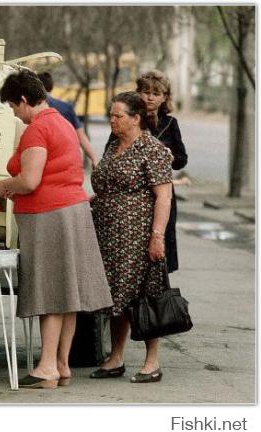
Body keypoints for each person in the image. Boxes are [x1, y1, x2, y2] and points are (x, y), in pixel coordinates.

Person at [0, 70, 113, 389]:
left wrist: (3, 186)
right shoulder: (62, 121)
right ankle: (61, 364)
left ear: (22, 99)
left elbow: (30, 180)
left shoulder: (37, 129)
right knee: (67, 292)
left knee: (48, 292)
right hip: (72, 211)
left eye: (12, 107)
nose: (14, 114)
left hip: (48, 215)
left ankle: (46, 365)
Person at [89, 92, 173, 383]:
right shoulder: (113, 146)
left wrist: (157, 237)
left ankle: (152, 361)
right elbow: (105, 186)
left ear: (136, 118)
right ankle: (116, 356)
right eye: (111, 115)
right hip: (107, 234)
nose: (112, 120)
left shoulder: (153, 149)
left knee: (144, 295)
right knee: (115, 297)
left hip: (137, 235)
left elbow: (164, 196)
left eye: (118, 115)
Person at [136, 70, 188, 273]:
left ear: (164, 97)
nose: (150, 97)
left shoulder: (171, 124)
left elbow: (182, 159)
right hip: (136, 195)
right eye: (146, 91)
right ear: (138, 93)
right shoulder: (130, 119)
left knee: (160, 250)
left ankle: (159, 300)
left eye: (156, 93)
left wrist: (169, 157)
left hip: (163, 195)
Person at [37, 72, 98, 168]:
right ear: (51, 86)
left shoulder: (30, 107)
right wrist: (94, 159)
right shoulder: (66, 107)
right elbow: (81, 137)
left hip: (40, 160)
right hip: (65, 161)